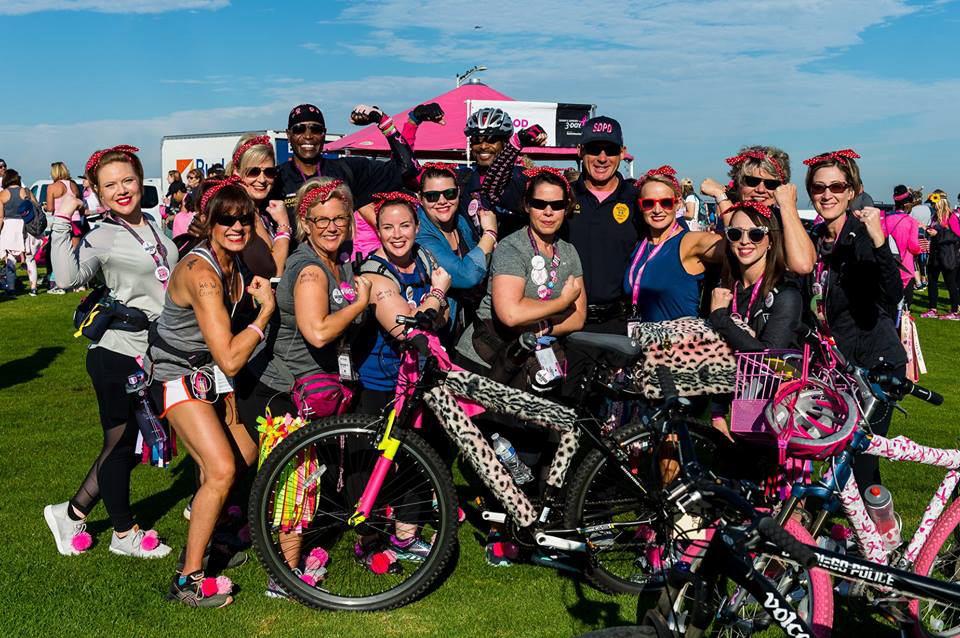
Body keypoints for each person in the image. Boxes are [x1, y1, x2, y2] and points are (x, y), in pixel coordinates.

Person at [43, 145, 177, 560]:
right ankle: (123, 533)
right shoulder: (101, 234)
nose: (122, 190)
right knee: (121, 444)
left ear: (140, 180)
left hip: (152, 353)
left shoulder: (154, 224)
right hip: (117, 353)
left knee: (130, 444)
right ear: (98, 193)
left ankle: (71, 513)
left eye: (128, 180)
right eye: (111, 185)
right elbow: (66, 278)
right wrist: (61, 220)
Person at [145, 177, 274, 607]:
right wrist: (264, 316)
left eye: (244, 219)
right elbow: (232, 359)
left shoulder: (234, 260)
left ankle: (210, 540)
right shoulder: (204, 275)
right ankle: (188, 580)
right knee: (220, 469)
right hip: (175, 373)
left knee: (245, 451)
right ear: (209, 222)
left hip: (207, 372)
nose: (236, 227)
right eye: (226, 220)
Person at [247, 177, 371, 598]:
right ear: (305, 222)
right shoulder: (312, 270)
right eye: (321, 220)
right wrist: (360, 303)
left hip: (313, 386)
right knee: (295, 480)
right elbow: (317, 332)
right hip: (286, 388)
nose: (331, 227)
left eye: (339, 218)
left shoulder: (340, 261)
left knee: (301, 477)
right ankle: (283, 575)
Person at [352, 192, 451, 563]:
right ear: (377, 231)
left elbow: (441, 318)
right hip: (379, 381)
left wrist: (429, 310)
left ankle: (405, 536)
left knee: (416, 457)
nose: (397, 234)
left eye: (405, 225)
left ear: (416, 226)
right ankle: (369, 538)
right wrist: (436, 294)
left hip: (417, 379)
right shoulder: (373, 272)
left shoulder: (423, 258)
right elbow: (407, 329)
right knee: (372, 462)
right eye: (388, 227)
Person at [803, 149, 905, 492]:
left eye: (836, 186)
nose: (827, 195)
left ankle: (882, 525)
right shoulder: (815, 238)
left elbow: (892, 293)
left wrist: (879, 240)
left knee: (862, 459)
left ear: (852, 191)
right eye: (819, 187)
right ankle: (849, 522)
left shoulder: (860, 236)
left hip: (875, 363)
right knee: (832, 452)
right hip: (838, 364)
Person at [457, 167, 586, 379]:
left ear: (566, 208)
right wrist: (562, 303)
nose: (548, 212)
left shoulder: (568, 252)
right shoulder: (512, 247)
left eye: (557, 205)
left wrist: (542, 327)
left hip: (531, 357)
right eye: (539, 204)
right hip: (486, 356)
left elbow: (578, 317)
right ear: (527, 205)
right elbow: (511, 314)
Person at [271, 103, 420, 237]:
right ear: (289, 135)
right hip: (293, 259)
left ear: (324, 134)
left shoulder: (347, 170)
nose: (308, 136)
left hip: (341, 259)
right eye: (299, 129)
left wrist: (382, 121)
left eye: (316, 129)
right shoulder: (275, 178)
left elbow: (407, 168)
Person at [624, 166, 724, 324]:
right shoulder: (640, 244)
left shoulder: (689, 242)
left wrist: (721, 196)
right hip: (641, 337)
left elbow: (737, 245)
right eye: (648, 203)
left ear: (678, 204)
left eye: (666, 203)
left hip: (679, 338)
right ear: (640, 206)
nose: (657, 210)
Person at [415, 162, 498, 345]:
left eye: (449, 193)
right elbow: (466, 275)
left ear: (458, 192)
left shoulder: (459, 220)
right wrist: (490, 234)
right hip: (437, 333)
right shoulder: (419, 233)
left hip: (468, 326)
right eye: (432, 196)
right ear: (420, 198)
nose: (442, 201)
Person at [701, 146, 816, 274]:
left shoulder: (785, 223)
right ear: (738, 183)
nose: (761, 190)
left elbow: (804, 266)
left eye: (771, 184)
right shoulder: (730, 216)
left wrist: (788, 205)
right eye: (752, 181)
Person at [228, 133, 290, 277]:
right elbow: (274, 272)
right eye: (253, 172)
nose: (262, 180)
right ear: (236, 172)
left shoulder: (259, 210)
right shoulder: (241, 212)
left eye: (269, 172)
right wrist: (284, 224)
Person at [0, 169, 42, 295]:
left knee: (11, 258)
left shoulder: (3, 194)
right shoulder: (26, 191)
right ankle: (33, 288)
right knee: (30, 258)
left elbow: (1, 217)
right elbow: (37, 207)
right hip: (26, 225)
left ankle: (11, 288)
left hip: (10, 227)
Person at [922, 195, 960, 319]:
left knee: (950, 283)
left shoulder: (951, 216)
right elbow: (934, 232)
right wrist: (927, 229)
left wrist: (938, 233)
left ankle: (955, 312)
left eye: (933, 203)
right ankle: (932, 309)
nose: (932, 206)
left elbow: (956, 236)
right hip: (935, 254)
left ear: (940, 203)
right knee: (932, 281)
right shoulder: (934, 216)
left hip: (948, 255)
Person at [885, 185, 922, 308]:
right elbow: (913, 246)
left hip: (887, 264)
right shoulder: (911, 221)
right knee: (905, 306)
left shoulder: (885, 219)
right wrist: (920, 250)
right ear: (907, 204)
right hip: (905, 266)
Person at [47, 162, 86, 251]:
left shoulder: (52, 187)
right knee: (76, 250)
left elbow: (50, 208)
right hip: (75, 219)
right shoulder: (73, 185)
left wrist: (45, 207)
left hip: (61, 221)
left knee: (60, 249)